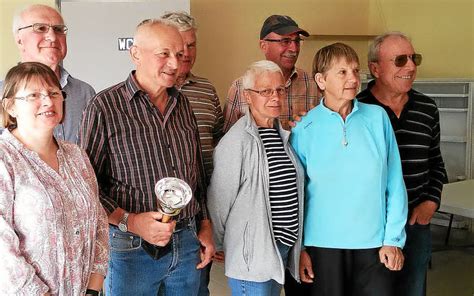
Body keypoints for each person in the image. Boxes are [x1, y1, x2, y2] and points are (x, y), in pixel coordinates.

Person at [78, 19, 215, 296]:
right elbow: (86, 186)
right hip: (131, 248)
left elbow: (195, 173)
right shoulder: (105, 107)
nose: (175, 64)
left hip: (186, 242)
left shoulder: (183, 103)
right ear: (135, 53)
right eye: (164, 53)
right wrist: (131, 221)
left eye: (179, 54)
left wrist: (204, 224)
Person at [291, 43, 408, 296]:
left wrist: (393, 240)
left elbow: (395, 185)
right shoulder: (303, 129)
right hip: (322, 247)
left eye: (355, 70)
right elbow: (295, 197)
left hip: (375, 245)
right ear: (321, 80)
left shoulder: (378, 118)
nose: (353, 78)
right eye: (342, 72)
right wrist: (299, 249)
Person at [0, 62, 108, 295]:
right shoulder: (4, 159)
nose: (48, 101)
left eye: (54, 93)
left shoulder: (77, 155)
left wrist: (93, 288)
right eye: (34, 95)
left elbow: (98, 220)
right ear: (10, 107)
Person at [357, 32, 448, 296]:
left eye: (413, 58)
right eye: (400, 60)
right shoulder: (356, 109)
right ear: (375, 68)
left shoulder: (427, 108)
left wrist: (431, 202)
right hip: (371, 226)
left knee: (413, 289)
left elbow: (436, 162)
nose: (410, 66)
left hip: (415, 224)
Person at [208, 60, 305, 296]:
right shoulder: (237, 141)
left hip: (279, 251)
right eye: (265, 91)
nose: (275, 97)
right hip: (253, 257)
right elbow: (219, 203)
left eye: (280, 90)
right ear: (248, 96)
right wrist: (221, 245)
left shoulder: (280, 134)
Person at [161, 11, 224, 296]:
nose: (186, 53)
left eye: (191, 45)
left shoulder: (207, 91)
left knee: (197, 288)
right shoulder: (147, 93)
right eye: (179, 46)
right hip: (156, 217)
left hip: (200, 212)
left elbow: (220, 144)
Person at [0, 4, 96, 142]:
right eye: (40, 28)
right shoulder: (2, 92)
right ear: (19, 40)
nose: (52, 37)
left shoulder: (85, 93)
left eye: (58, 29)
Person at [223, 14, 319, 132]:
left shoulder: (313, 84)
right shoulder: (241, 87)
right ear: (264, 46)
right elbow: (227, 138)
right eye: (285, 41)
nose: (294, 49)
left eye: (297, 41)